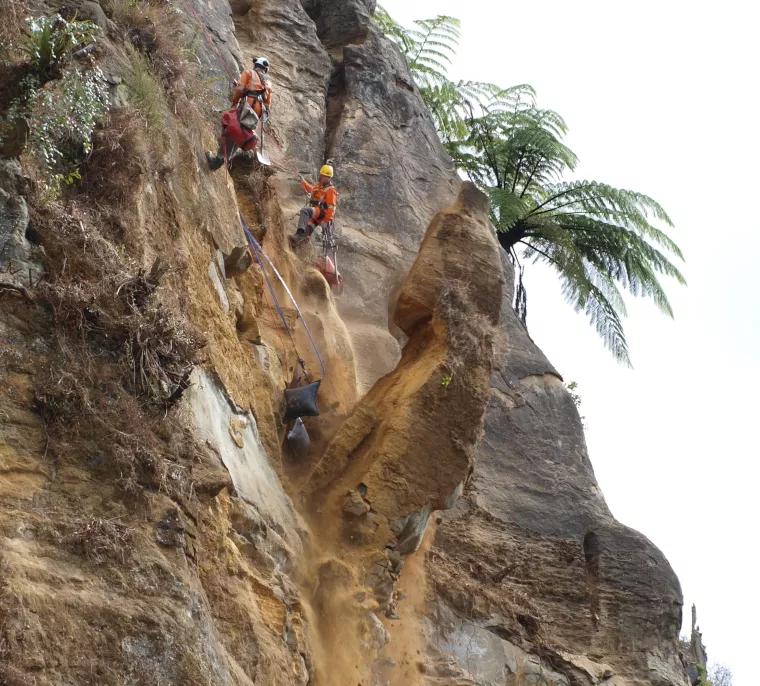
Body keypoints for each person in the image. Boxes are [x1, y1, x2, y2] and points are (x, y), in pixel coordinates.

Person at [206, 56, 272, 171]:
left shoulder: (249, 73)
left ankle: (218, 160)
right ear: (264, 70)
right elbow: (267, 105)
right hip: (254, 116)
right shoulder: (267, 84)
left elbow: (240, 90)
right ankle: (222, 159)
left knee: (231, 127)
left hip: (245, 109)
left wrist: (234, 103)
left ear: (256, 65)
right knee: (240, 135)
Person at [289, 162, 338, 247]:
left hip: (322, 213)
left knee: (305, 211)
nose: (322, 177)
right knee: (306, 232)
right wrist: (303, 181)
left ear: (329, 178)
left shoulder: (331, 190)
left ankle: (299, 233)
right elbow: (311, 189)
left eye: (324, 176)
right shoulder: (319, 186)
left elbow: (331, 208)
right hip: (317, 213)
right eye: (322, 175)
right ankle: (297, 244)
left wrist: (325, 221)